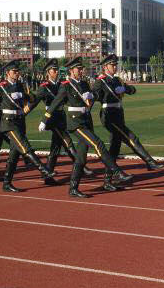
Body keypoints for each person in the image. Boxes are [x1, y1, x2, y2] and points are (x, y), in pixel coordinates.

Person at [40, 56, 132, 198]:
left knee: (81, 158)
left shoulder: (83, 83)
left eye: (81, 68)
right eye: (79, 68)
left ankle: (73, 188)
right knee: (98, 144)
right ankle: (117, 172)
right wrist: (44, 120)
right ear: (71, 70)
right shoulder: (66, 85)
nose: (81, 70)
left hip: (86, 120)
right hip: (75, 123)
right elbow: (55, 103)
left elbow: (94, 96)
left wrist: (92, 95)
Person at [0, 60, 54, 191]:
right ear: (8, 73)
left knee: (14, 156)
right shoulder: (1, 87)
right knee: (25, 146)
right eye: (14, 71)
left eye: (17, 71)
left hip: (19, 121)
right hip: (8, 123)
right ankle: (43, 170)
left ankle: (7, 183)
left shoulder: (20, 85)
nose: (17, 73)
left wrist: (29, 95)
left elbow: (30, 99)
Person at [92, 53, 164, 173]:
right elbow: (94, 96)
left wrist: (124, 88)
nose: (115, 67)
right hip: (108, 114)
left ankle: (108, 178)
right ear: (105, 67)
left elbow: (133, 90)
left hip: (119, 114)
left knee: (115, 146)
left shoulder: (117, 80)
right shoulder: (100, 81)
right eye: (112, 65)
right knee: (131, 138)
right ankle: (150, 162)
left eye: (115, 65)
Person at [33, 59, 94, 178]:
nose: (56, 72)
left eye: (57, 69)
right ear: (48, 72)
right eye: (54, 70)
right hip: (52, 118)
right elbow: (34, 102)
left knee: (55, 147)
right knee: (67, 141)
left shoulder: (62, 84)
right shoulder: (44, 87)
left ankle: (47, 175)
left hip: (61, 116)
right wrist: (26, 113)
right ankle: (82, 167)